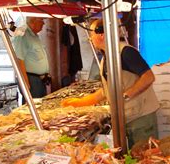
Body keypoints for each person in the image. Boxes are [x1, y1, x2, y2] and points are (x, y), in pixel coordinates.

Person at [61, 19, 160, 148]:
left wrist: (125, 96)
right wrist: (78, 102)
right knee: (131, 158)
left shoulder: (126, 52)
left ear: (101, 34)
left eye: (91, 34)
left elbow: (148, 77)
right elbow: (106, 91)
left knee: (145, 156)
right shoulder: (107, 57)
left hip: (141, 118)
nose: (90, 39)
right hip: (125, 116)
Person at [13, 17, 50, 99]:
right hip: (31, 80)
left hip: (40, 80)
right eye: (41, 21)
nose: (43, 24)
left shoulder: (35, 36)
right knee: (34, 106)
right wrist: (25, 83)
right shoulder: (23, 36)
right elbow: (19, 60)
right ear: (33, 21)